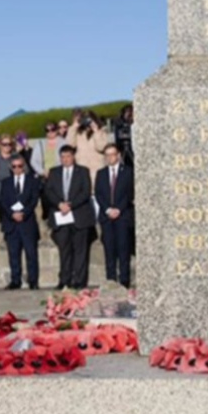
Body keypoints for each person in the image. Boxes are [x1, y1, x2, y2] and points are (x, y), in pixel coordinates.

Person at [45, 145, 95, 290]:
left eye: (68, 156)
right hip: (61, 216)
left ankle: (79, 280)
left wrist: (71, 205)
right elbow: (49, 191)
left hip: (78, 215)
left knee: (80, 251)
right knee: (64, 250)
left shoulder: (82, 171)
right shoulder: (54, 172)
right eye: (63, 157)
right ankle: (64, 280)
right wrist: (60, 204)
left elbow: (85, 192)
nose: (65, 159)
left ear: (73, 157)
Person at [0, 155, 41, 290]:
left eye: (20, 166)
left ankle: (33, 281)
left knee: (31, 254)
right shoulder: (6, 182)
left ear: (24, 167)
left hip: (27, 221)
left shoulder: (32, 181)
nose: (17, 169)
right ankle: (15, 280)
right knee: (13, 254)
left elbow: (34, 200)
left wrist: (24, 213)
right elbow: (3, 201)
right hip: (11, 223)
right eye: (14, 166)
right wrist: (12, 214)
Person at [95, 144, 134, 288]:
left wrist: (119, 209)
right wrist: (107, 210)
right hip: (106, 218)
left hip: (123, 216)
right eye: (107, 155)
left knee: (123, 250)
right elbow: (99, 194)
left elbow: (129, 193)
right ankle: (110, 280)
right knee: (109, 250)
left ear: (118, 155)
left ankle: (125, 280)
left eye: (112, 154)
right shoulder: (101, 173)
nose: (109, 157)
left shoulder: (128, 172)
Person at [67, 109, 109, 188]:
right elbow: (70, 145)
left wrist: (96, 131)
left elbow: (101, 147)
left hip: (98, 169)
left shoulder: (102, 132)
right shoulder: (78, 133)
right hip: (82, 170)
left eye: (89, 119)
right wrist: (74, 126)